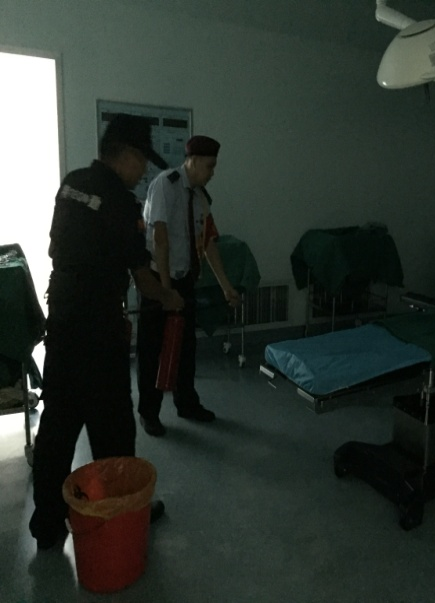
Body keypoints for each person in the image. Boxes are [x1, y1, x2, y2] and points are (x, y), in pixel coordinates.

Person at [29, 114, 184, 550]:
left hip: (62, 323)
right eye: (141, 162)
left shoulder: (71, 185)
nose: (142, 172)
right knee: (113, 430)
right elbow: (143, 279)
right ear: (128, 156)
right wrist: (169, 298)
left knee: (57, 427)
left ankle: (46, 524)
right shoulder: (121, 203)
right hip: (99, 335)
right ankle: (121, 516)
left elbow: (54, 247)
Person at [136, 134, 240, 437]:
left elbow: (208, 243)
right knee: (152, 351)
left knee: (185, 347)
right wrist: (166, 291)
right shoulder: (165, 185)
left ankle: (187, 404)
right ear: (191, 161)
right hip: (158, 281)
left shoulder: (200, 197)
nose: (212, 173)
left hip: (183, 281)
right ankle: (149, 413)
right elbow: (160, 239)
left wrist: (226, 286)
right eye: (209, 166)